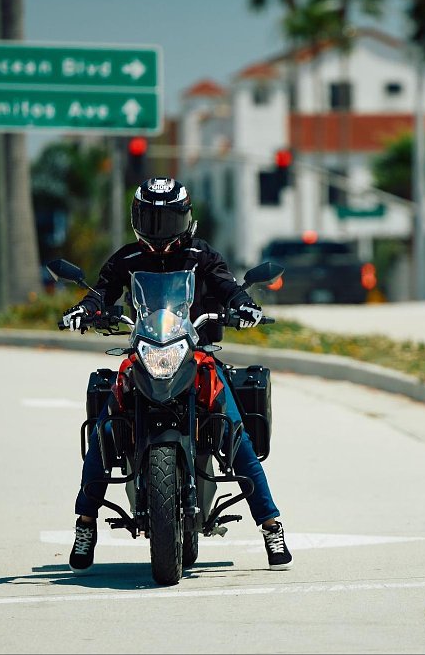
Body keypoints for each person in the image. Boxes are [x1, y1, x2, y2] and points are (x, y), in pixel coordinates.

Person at [59, 176, 293, 574]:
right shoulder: (127, 260)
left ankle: (271, 525)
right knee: (105, 427)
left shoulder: (202, 256)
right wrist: (86, 309)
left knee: (234, 429)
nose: (160, 229)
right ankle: (85, 525)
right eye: (152, 219)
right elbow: (102, 291)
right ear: (137, 218)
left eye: (168, 220)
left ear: (185, 219)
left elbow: (228, 288)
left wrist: (244, 306)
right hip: (145, 353)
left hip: (194, 354)